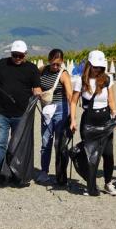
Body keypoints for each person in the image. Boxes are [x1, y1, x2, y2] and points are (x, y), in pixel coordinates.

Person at [0, 40, 41, 185]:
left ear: (25, 54)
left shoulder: (32, 69)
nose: (17, 58)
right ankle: (1, 175)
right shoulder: (2, 64)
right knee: (0, 145)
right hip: (1, 113)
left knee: (17, 146)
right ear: (11, 53)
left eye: (20, 55)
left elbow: (37, 88)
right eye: (15, 55)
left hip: (21, 116)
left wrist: (39, 95)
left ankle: (16, 174)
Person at [69, 50, 116, 196]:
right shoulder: (80, 80)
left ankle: (108, 183)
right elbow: (73, 102)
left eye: (100, 67)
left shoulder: (108, 79)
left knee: (108, 154)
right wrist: (73, 120)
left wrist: (115, 115)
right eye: (95, 66)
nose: (98, 69)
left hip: (105, 120)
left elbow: (111, 100)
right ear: (89, 65)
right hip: (89, 121)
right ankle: (90, 185)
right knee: (90, 154)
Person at [37, 48, 73, 184]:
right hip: (46, 109)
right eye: (53, 64)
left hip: (61, 109)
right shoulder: (42, 70)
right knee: (45, 141)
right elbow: (34, 83)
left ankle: (60, 175)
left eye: (59, 64)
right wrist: (37, 90)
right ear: (49, 61)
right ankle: (44, 171)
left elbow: (70, 95)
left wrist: (72, 117)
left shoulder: (64, 74)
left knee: (60, 144)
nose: (56, 66)